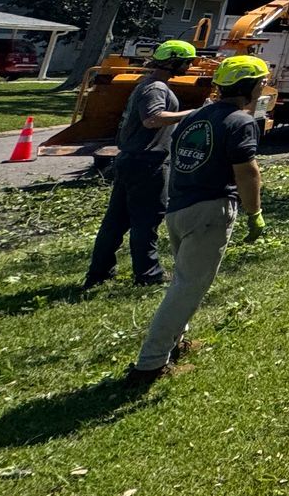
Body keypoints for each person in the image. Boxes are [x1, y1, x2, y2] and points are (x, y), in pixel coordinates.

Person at [124, 55, 270, 388]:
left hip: (180, 208)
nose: (263, 88)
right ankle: (149, 364)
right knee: (188, 287)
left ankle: (177, 343)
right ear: (250, 87)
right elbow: (247, 172)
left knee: (185, 280)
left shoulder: (198, 115)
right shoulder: (240, 122)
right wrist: (254, 213)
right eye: (261, 83)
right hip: (210, 211)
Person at [83, 40, 199, 290]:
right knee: (146, 220)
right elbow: (152, 119)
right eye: (187, 61)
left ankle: (99, 273)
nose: (190, 66)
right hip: (147, 163)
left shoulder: (150, 84)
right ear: (173, 61)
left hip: (132, 160)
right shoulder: (155, 88)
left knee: (116, 221)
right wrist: (193, 114)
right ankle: (148, 273)